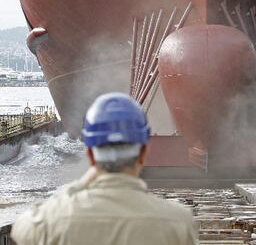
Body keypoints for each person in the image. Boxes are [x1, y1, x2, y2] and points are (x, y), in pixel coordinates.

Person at [11, 93, 198, 245]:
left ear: (90, 153)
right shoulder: (178, 222)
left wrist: (78, 186)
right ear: (144, 151)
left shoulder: (47, 221)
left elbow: (21, 229)